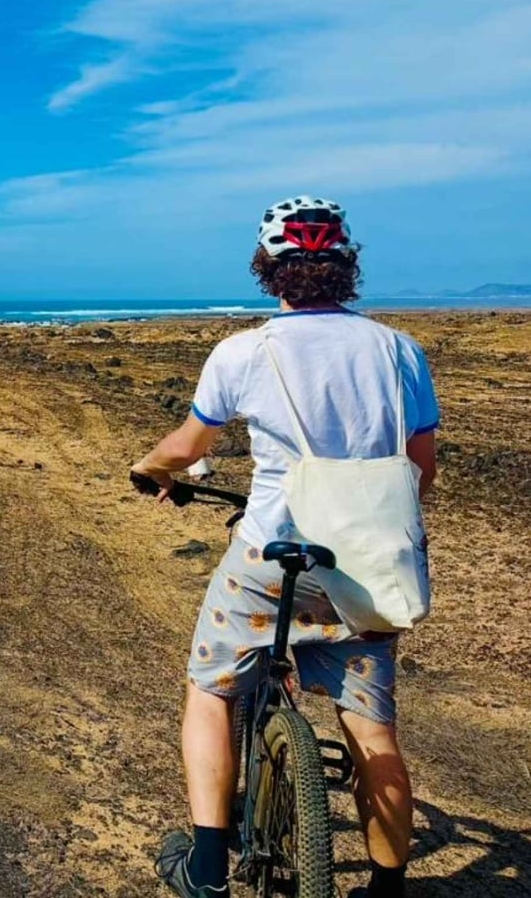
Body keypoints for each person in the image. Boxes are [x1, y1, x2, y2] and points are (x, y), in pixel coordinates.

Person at [130, 196, 439, 898]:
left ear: (270, 268)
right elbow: (424, 468)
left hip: (271, 556)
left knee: (211, 689)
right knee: (373, 729)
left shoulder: (245, 351)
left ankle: (207, 869)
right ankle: (387, 890)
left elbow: (188, 446)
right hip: (365, 565)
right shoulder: (399, 350)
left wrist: (153, 467)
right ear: (345, 265)